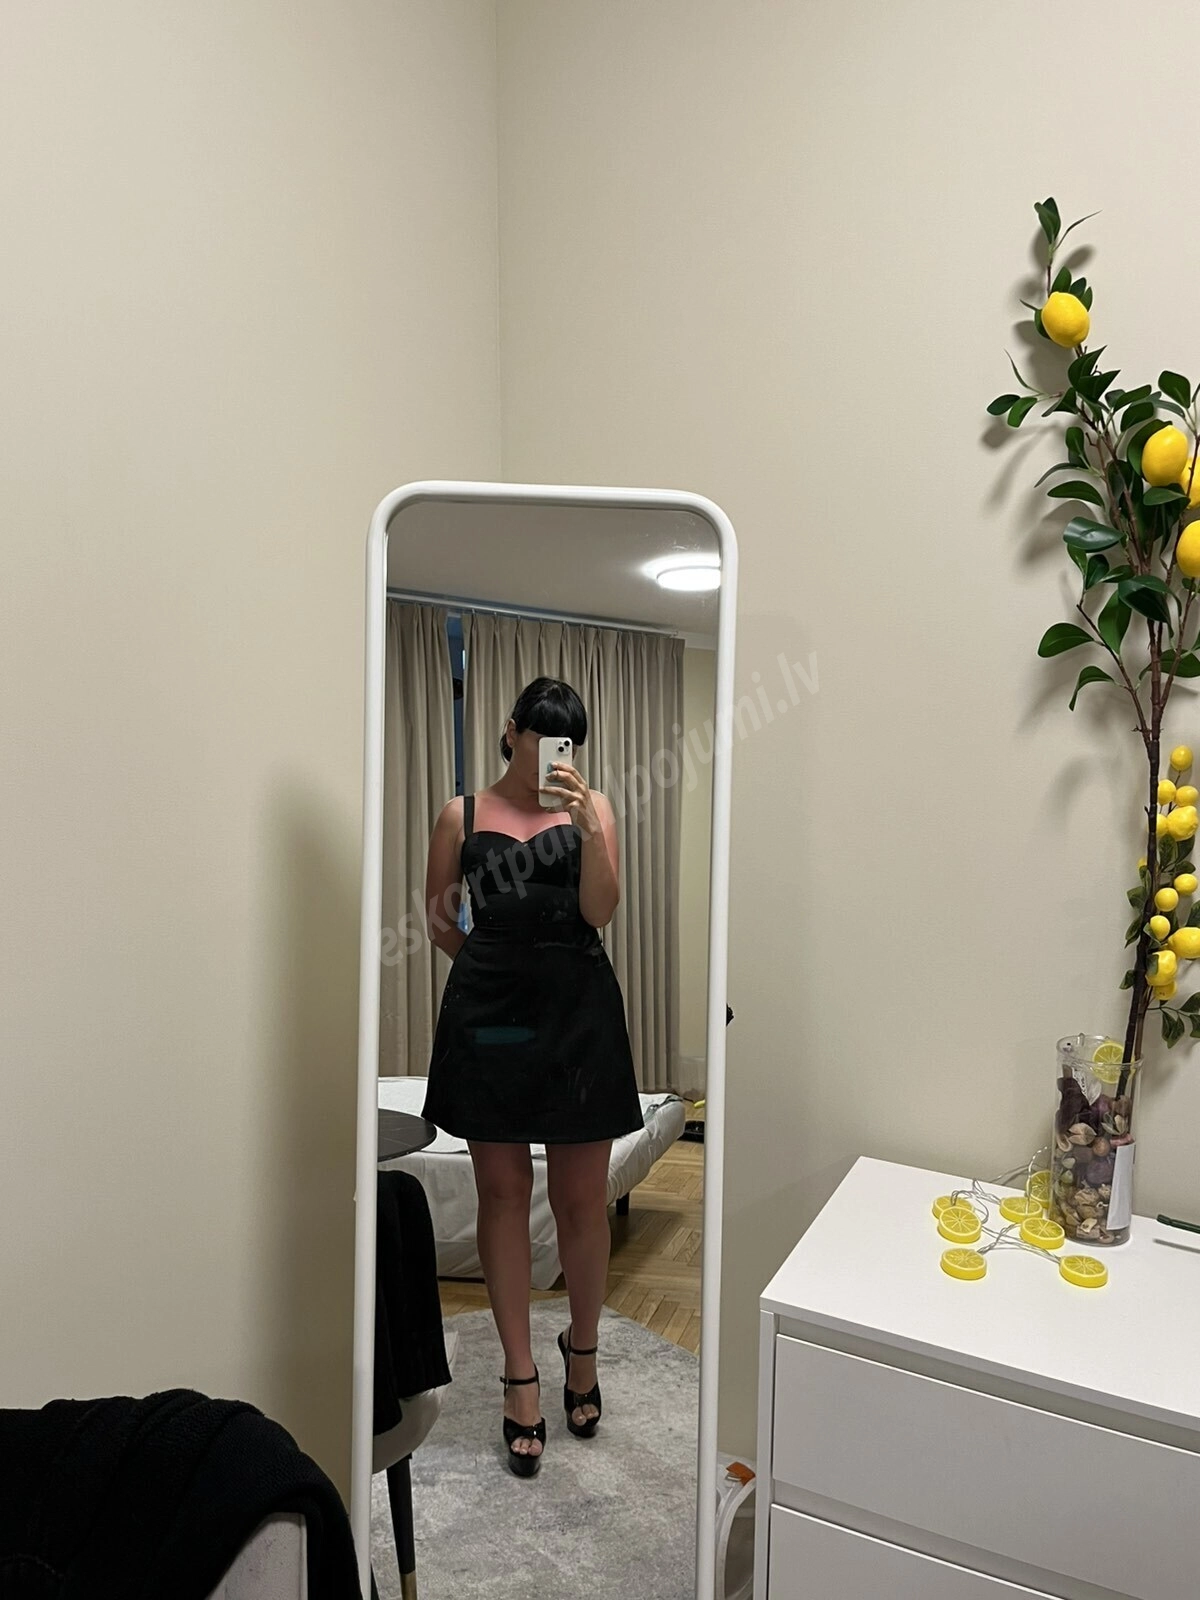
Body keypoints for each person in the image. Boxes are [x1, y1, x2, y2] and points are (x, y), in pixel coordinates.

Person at [422, 677, 643, 1476]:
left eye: (567, 743)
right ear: (512, 732)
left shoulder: (595, 808)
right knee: (503, 1192)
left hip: (579, 1014)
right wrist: (493, 969)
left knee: (581, 1200)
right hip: (493, 1018)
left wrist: (590, 831)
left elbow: (600, 912)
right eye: (541, 738)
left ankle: (582, 1350)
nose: (553, 756)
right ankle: (520, 1376)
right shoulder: (462, 815)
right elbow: (440, 919)